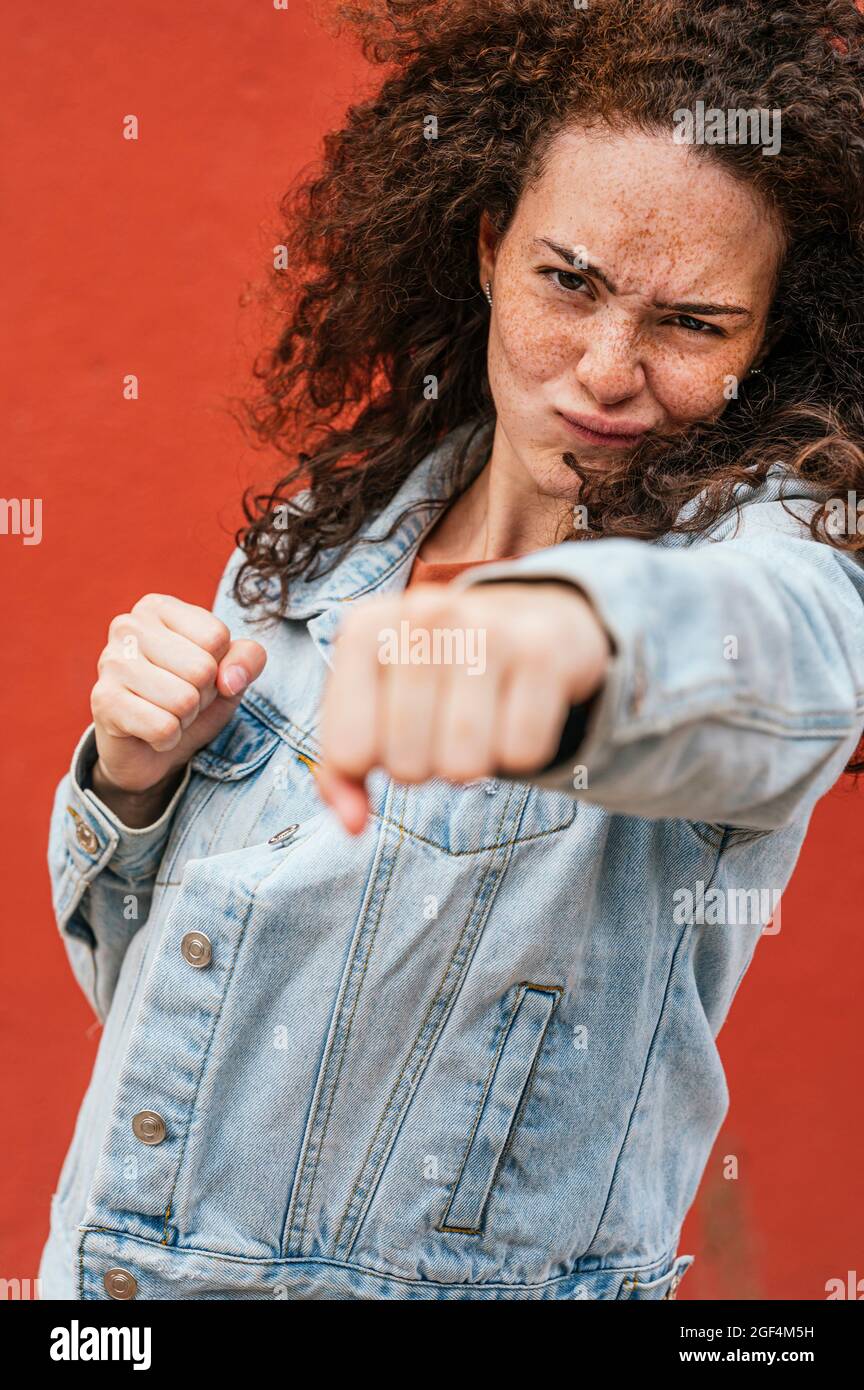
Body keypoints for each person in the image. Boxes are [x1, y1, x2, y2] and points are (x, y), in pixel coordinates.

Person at [40, 0, 864, 1300]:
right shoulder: (328, 536)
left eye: (692, 325)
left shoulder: (761, 555)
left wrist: (559, 650)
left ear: (769, 345)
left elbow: (791, 668)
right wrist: (130, 781)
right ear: (489, 248)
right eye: (569, 281)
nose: (603, 369)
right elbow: (153, 1013)